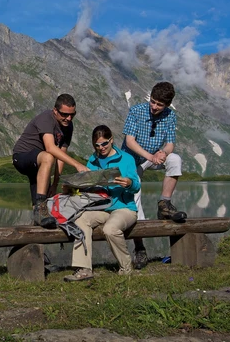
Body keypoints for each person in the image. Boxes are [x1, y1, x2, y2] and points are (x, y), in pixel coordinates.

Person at [121, 81, 186, 270]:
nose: (155, 107)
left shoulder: (170, 116)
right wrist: (151, 156)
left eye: (160, 104)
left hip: (154, 156)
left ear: (167, 105)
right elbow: (129, 141)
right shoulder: (136, 111)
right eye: (153, 101)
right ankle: (139, 247)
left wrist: (163, 153)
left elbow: (170, 144)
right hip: (132, 160)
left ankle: (164, 204)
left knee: (175, 160)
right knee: (135, 198)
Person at [64, 125, 140, 281]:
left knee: (110, 229)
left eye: (104, 143)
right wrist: (75, 186)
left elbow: (136, 186)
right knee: (80, 220)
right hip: (102, 208)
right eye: (97, 145)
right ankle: (84, 269)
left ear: (111, 140)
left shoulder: (127, 159)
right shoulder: (93, 160)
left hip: (125, 208)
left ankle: (126, 268)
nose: (101, 148)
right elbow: (88, 186)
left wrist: (129, 183)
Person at [12, 94, 89, 229]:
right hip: (22, 157)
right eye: (64, 114)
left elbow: (61, 156)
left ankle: (37, 225)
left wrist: (55, 184)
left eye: (72, 114)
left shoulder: (68, 126)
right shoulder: (46, 118)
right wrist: (77, 164)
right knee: (48, 157)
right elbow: (50, 148)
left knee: (43, 207)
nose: (68, 118)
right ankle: (40, 208)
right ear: (55, 111)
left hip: (40, 165)